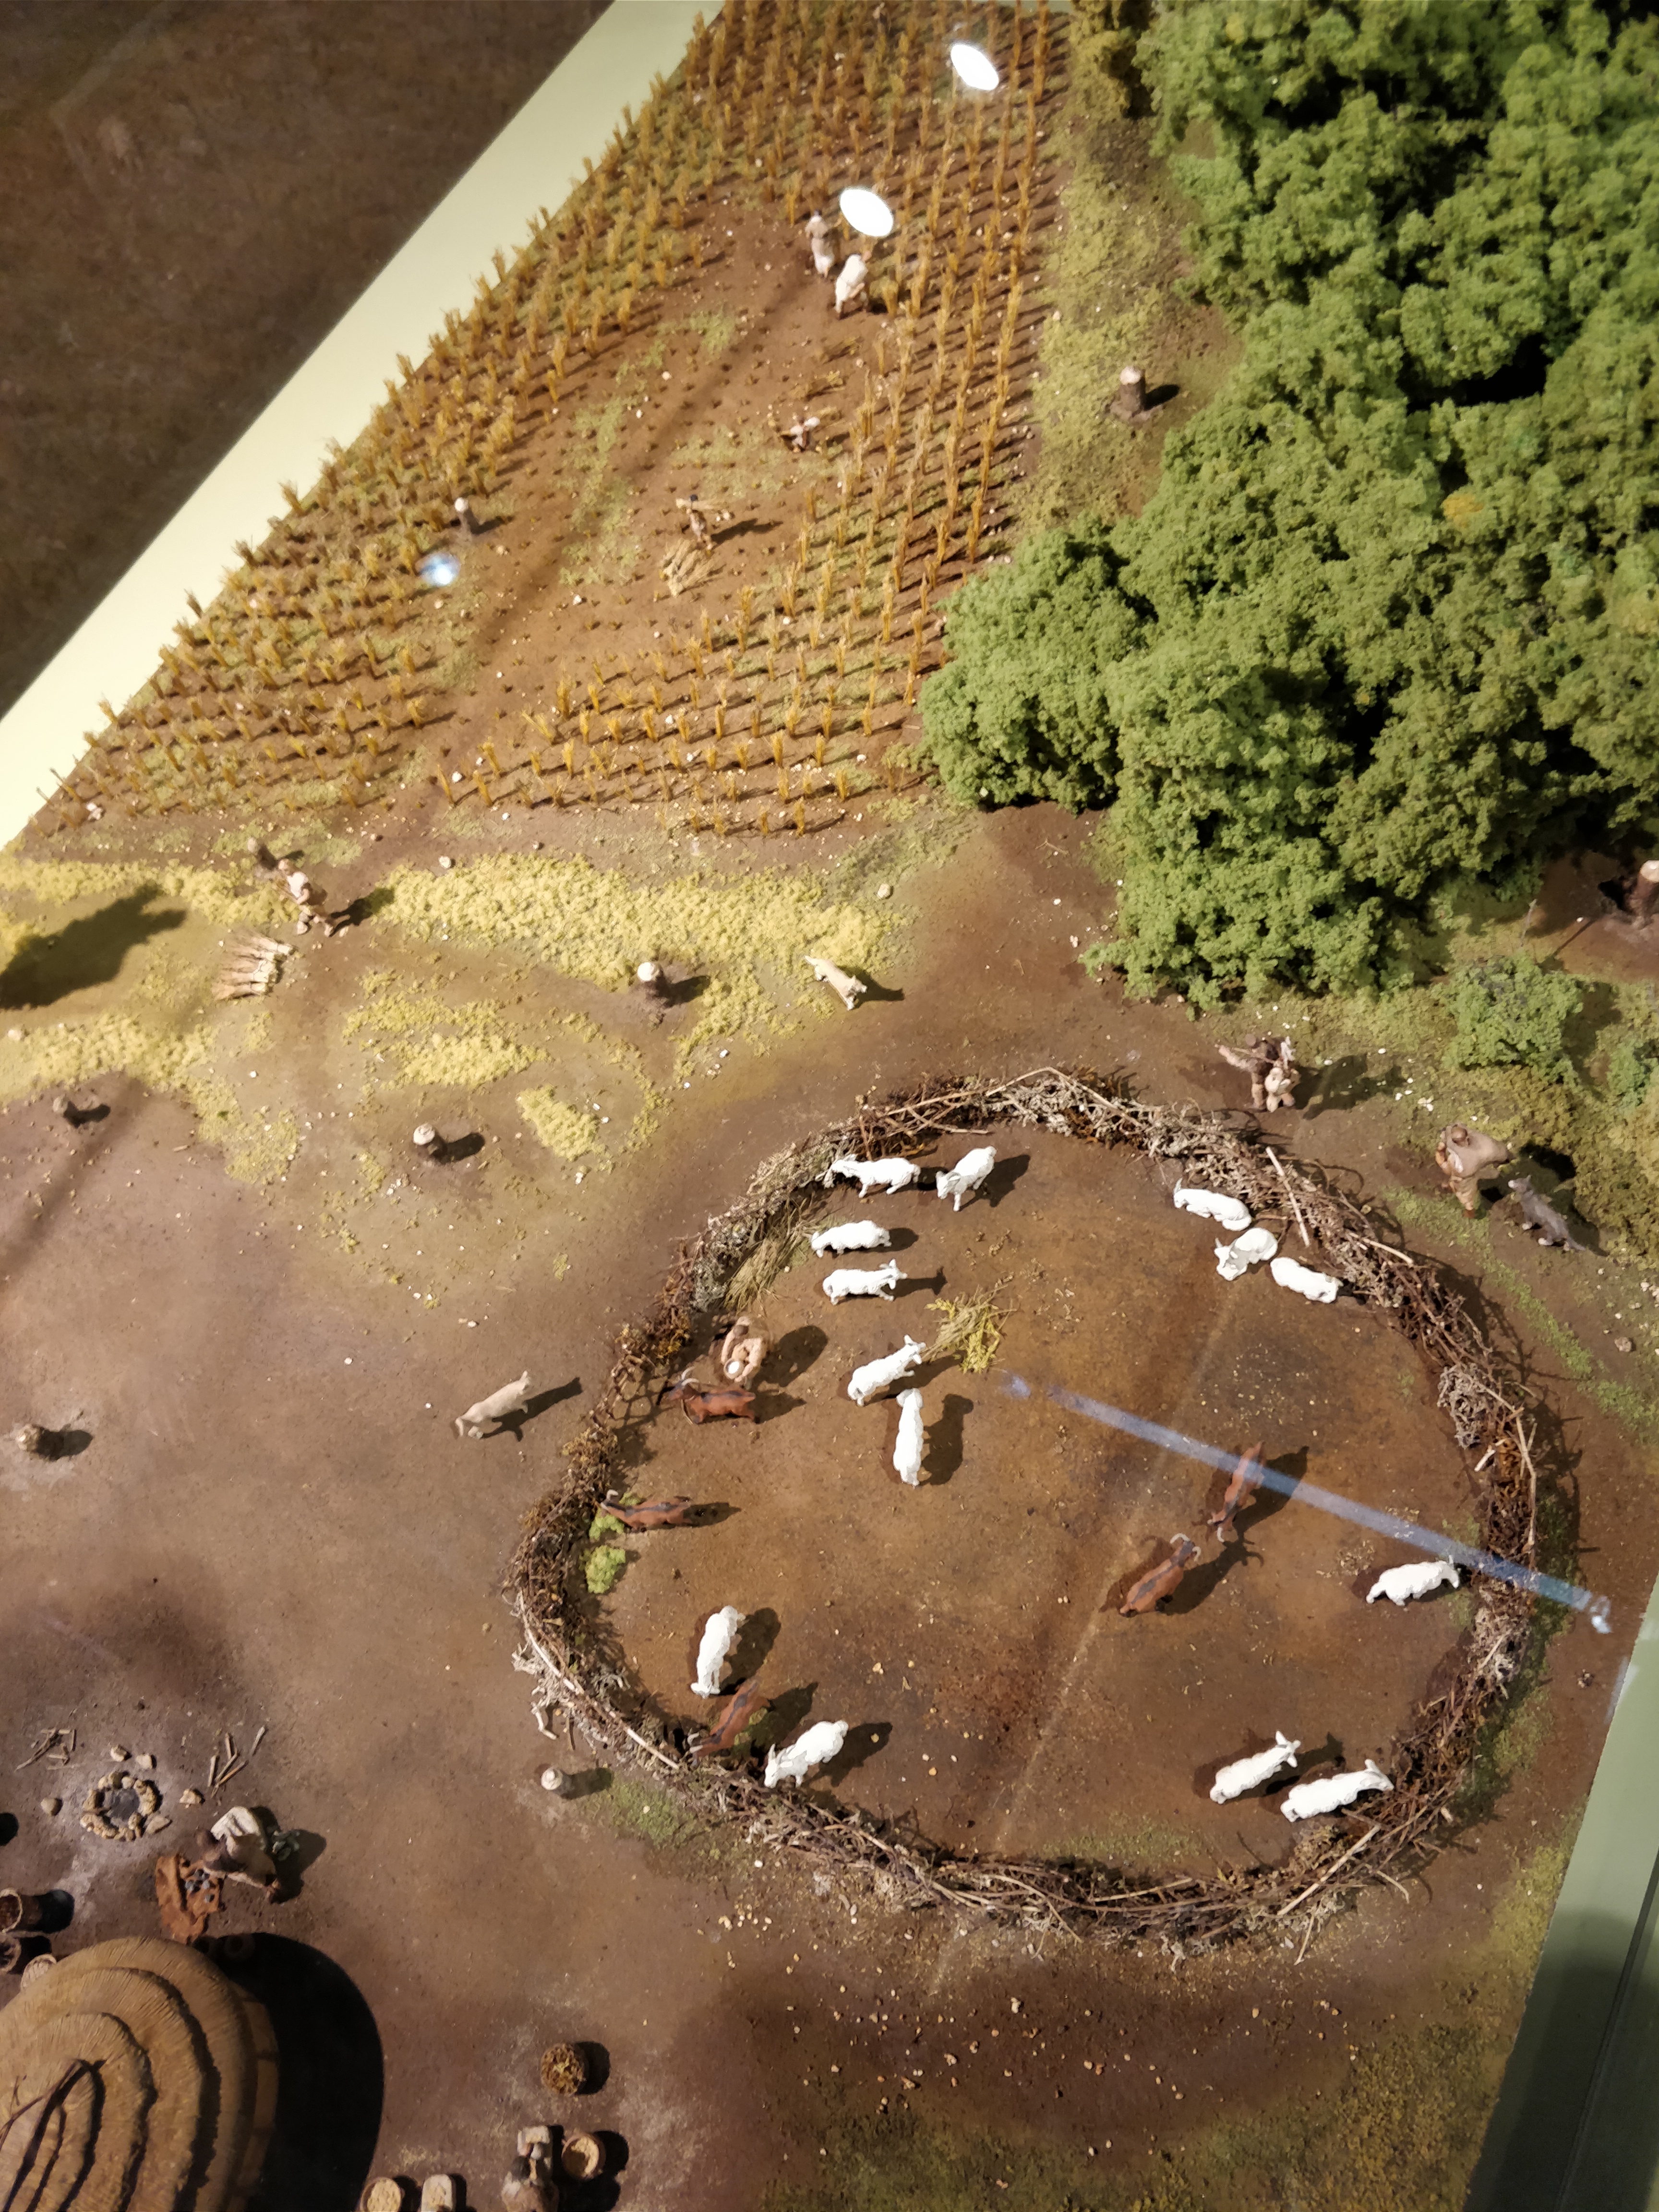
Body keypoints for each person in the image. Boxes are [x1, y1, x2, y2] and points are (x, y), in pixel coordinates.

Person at [1435, 1122, 1513, 1215]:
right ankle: (1494, 1174)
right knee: (1485, 1171)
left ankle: (1469, 1209)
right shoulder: (1485, 1142)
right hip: (1486, 1160)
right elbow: (1503, 1153)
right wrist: (1506, 1160)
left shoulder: (1455, 1147)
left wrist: (1442, 1152)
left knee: (1464, 1191)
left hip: (1467, 1171)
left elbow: (1462, 1173)